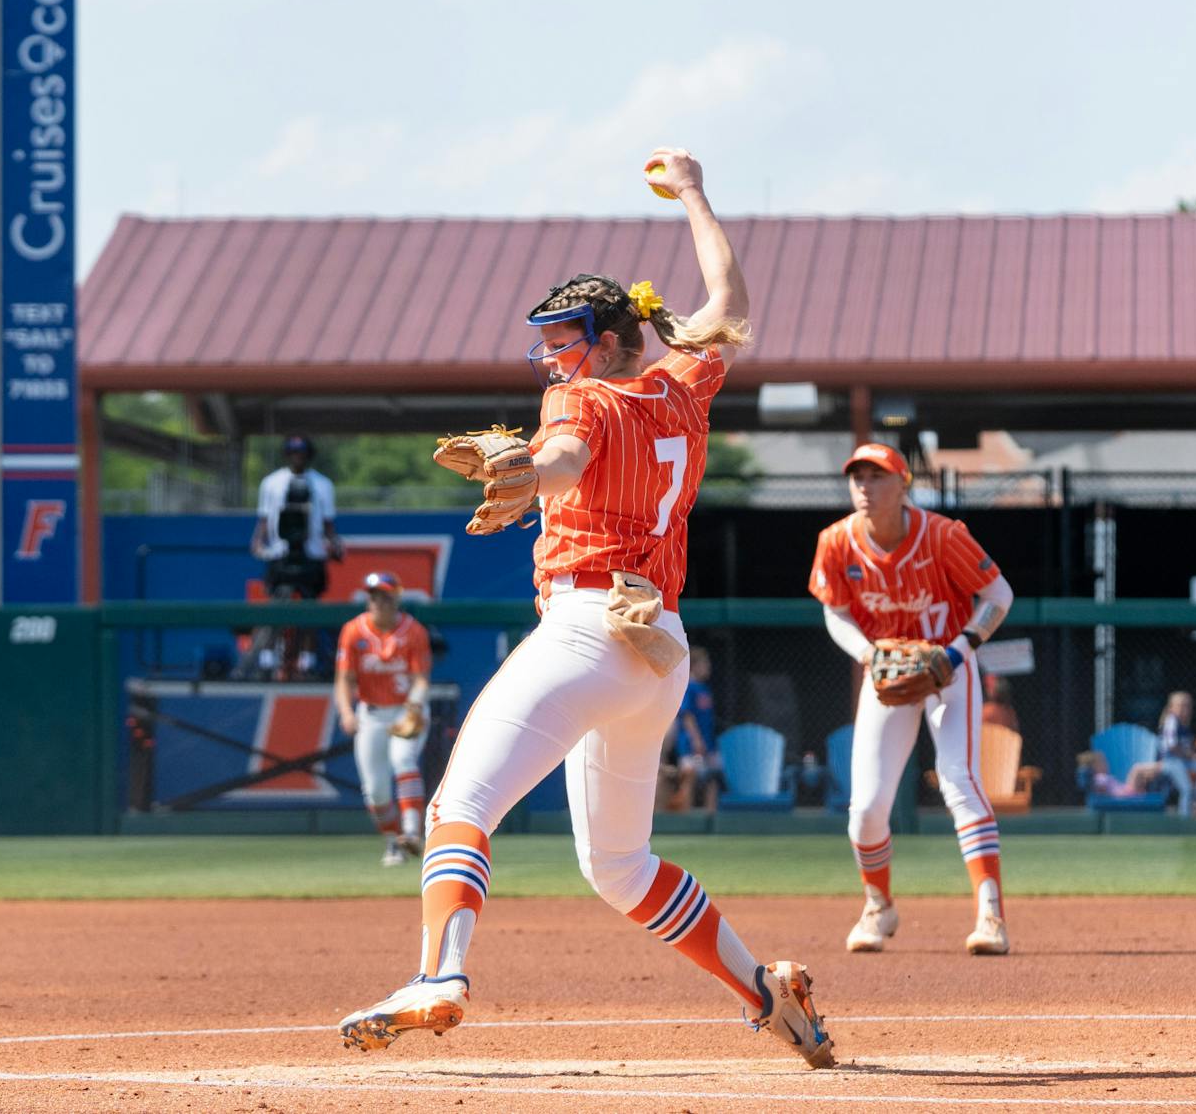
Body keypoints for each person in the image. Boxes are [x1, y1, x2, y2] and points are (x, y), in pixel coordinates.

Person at [339, 149, 834, 1069]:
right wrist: (692, 192)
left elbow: (565, 454)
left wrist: (529, 469)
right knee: (618, 866)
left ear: (606, 340)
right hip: (659, 649)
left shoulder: (581, 397)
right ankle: (765, 992)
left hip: (586, 626)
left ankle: (439, 975)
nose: (551, 354)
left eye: (565, 337)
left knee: (459, 801)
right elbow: (728, 302)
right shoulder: (680, 386)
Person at [809, 442, 1016, 957]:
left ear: (903, 484)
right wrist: (867, 653)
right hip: (888, 674)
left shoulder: (944, 536)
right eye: (857, 476)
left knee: (959, 780)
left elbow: (999, 595)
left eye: (877, 477)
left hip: (948, 668)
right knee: (866, 809)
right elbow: (835, 611)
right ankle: (878, 906)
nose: (864, 486)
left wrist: (959, 650)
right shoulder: (836, 542)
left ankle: (991, 914)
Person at [334, 571, 433, 867]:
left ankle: (413, 831)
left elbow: (421, 679)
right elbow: (344, 679)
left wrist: (415, 705)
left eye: (385, 596)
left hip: (406, 709)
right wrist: (346, 712)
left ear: (396, 599)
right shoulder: (353, 630)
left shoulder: (413, 631)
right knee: (375, 790)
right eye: (373, 596)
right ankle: (394, 841)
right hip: (372, 713)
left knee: (404, 760)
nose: (378, 602)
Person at [250, 436, 343, 601]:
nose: (297, 457)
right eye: (293, 452)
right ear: (287, 454)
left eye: (301, 453)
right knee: (277, 602)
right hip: (279, 552)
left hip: (312, 553)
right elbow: (264, 518)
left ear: (309, 455)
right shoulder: (271, 483)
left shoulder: (323, 484)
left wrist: (334, 544)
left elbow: (328, 522)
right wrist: (258, 541)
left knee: (311, 602)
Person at [671, 646, 723, 812]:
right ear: (693, 666)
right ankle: (685, 819)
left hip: (709, 743)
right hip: (691, 743)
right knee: (689, 778)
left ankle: (711, 816)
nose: (708, 667)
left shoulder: (705, 688)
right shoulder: (689, 687)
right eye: (704, 664)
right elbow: (686, 716)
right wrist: (696, 740)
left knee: (713, 778)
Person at [1156, 691, 1196, 816]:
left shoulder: (1185, 725)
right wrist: (1191, 755)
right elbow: (1172, 746)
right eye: (1181, 705)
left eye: (1188, 705)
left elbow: (1189, 746)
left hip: (1183, 761)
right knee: (1187, 789)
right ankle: (1185, 822)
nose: (1185, 709)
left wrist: (1195, 755)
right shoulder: (1171, 720)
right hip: (1170, 761)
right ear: (1171, 707)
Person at [1077, 750, 1165, 798]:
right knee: (1137, 769)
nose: (1106, 764)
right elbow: (1096, 788)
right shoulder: (1099, 778)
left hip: (1127, 791)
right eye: (1102, 762)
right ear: (1095, 766)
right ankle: (1166, 765)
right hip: (1125, 795)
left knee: (1147, 774)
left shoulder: (1102, 777)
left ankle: (1165, 770)